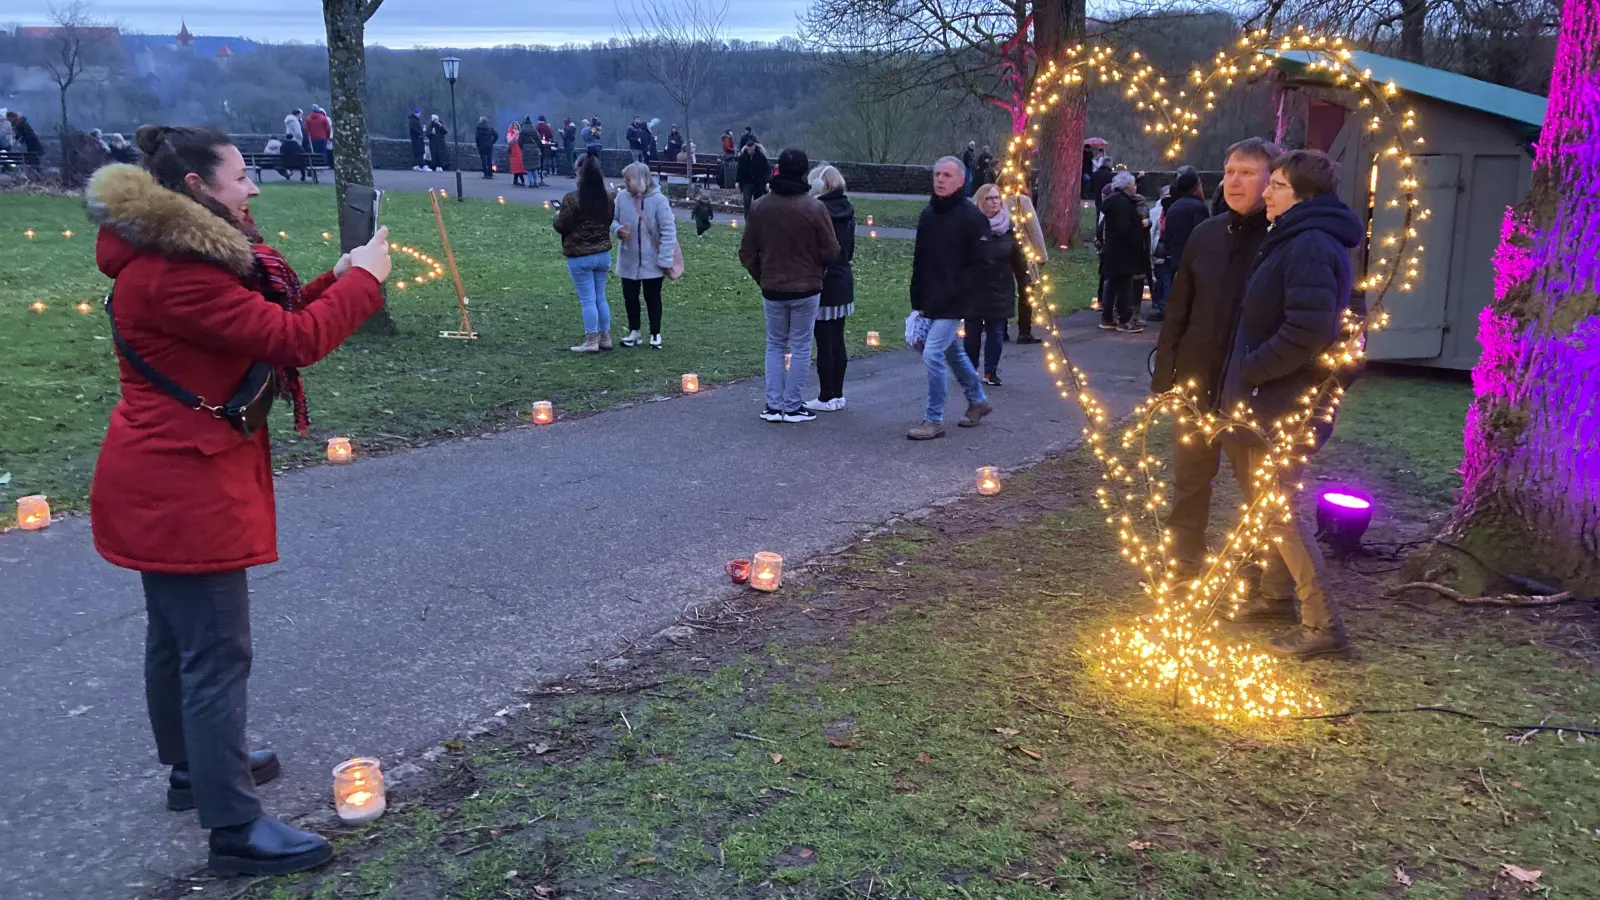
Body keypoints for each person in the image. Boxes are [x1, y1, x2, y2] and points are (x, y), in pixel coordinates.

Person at [86, 124, 391, 878]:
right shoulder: (177, 275)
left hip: (165, 477)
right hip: (184, 487)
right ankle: (233, 829)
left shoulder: (173, 261)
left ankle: (194, 771)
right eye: (240, 177)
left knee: (177, 640)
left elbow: (264, 328)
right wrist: (366, 283)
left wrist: (336, 275)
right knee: (216, 651)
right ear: (196, 189)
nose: (252, 187)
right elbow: (294, 344)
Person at [1217, 149, 1361, 660]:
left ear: (1302, 197)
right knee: (1270, 502)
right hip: (1276, 397)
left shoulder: (1310, 246)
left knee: (1276, 509)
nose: (1267, 192)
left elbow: (1306, 331)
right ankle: (1276, 597)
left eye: (1276, 184)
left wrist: (1253, 371)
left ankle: (1323, 625)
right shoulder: (1294, 239)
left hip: (1289, 401)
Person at [1151, 137, 1277, 586]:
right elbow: (1179, 308)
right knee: (1189, 480)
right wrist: (1166, 372)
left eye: (1247, 172)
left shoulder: (1281, 238)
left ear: (1271, 180)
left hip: (1251, 386)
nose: (1234, 182)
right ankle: (1183, 560)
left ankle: (1265, 569)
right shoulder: (1206, 234)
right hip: (1195, 380)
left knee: (1259, 483)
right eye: (1229, 172)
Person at [739, 148, 840, 424]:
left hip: (772, 286)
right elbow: (831, 250)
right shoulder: (814, 208)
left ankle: (774, 405)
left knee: (774, 345)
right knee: (800, 346)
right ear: (805, 173)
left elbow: (747, 252)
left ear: (778, 170)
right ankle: (793, 406)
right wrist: (818, 270)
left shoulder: (760, 206)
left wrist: (762, 276)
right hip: (807, 287)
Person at [908, 156, 992, 440]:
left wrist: (960, 293)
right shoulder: (928, 214)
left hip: (955, 300)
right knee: (951, 351)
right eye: (937, 175)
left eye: (946, 175)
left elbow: (981, 264)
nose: (940, 180)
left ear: (960, 180)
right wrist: (917, 298)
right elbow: (920, 259)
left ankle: (933, 419)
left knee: (933, 354)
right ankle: (977, 399)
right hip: (932, 297)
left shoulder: (971, 218)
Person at [963, 184, 1031, 387]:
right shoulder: (971, 227)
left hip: (1000, 287)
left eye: (997, 198)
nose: (994, 201)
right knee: (972, 331)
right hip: (974, 287)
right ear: (981, 201)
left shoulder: (1009, 228)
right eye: (990, 198)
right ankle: (970, 369)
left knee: (996, 331)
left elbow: (1019, 260)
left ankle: (991, 371)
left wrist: (1025, 281)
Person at [803, 164, 855, 412]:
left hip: (824, 280)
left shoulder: (818, 210)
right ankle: (838, 393)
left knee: (824, 341)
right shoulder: (848, 208)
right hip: (843, 278)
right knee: (837, 338)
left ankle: (826, 395)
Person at [611, 162, 679, 349]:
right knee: (630, 297)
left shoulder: (659, 201)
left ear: (639, 179)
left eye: (628, 180)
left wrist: (664, 259)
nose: (625, 184)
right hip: (629, 258)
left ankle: (655, 333)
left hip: (652, 260)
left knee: (653, 297)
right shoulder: (622, 198)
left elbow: (668, 231)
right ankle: (634, 331)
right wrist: (617, 230)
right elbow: (613, 219)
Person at [553, 154, 616, 353]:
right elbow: (608, 221)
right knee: (600, 297)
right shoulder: (607, 198)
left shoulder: (571, 199)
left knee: (588, 299)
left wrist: (556, 217)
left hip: (580, 254)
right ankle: (605, 336)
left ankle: (591, 340)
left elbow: (562, 225)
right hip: (602, 253)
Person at [1149, 168, 1208, 323]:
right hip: (1192, 256)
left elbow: (1166, 232)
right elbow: (1200, 233)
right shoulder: (1197, 207)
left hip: (1175, 255)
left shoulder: (1174, 207)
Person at [1098, 171, 1146, 332]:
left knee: (1112, 284)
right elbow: (1125, 228)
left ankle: (1107, 318)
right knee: (1124, 285)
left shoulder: (1113, 201)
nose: (1135, 187)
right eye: (1133, 184)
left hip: (1113, 249)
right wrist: (1137, 236)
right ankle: (1124, 320)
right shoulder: (1123, 203)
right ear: (1127, 186)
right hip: (1123, 250)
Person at [1008, 191, 1047, 343]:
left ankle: (1001, 328)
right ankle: (1024, 331)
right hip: (1022, 251)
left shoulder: (990, 195)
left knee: (1005, 287)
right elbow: (1033, 229)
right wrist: (1042, 255)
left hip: (997, 251)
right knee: (1026, 289)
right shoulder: (1021, 200)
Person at [736, 141, 769, 213]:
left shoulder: (761, 157)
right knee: (747, 202)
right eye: (748, 149)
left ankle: (757, 219)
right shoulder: (743, 157)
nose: (749, 150)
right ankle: (747, 220)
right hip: (746, 182)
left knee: (758, 203)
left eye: (751, 148)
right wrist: (737, 181)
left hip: (758, 183)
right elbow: (739, 169)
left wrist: (767, 182)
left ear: (754, 147)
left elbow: (766, 170)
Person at [507, 121, 526, 186]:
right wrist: (515, 135)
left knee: (519, 165)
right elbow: (509, 141)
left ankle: (519, 180)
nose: (515, 126)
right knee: (515, 165)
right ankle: (517, 180)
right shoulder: (510, 133)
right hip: (513, 150)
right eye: (514, 125)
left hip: (519, 150)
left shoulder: (520, 133)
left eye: (516, 125)